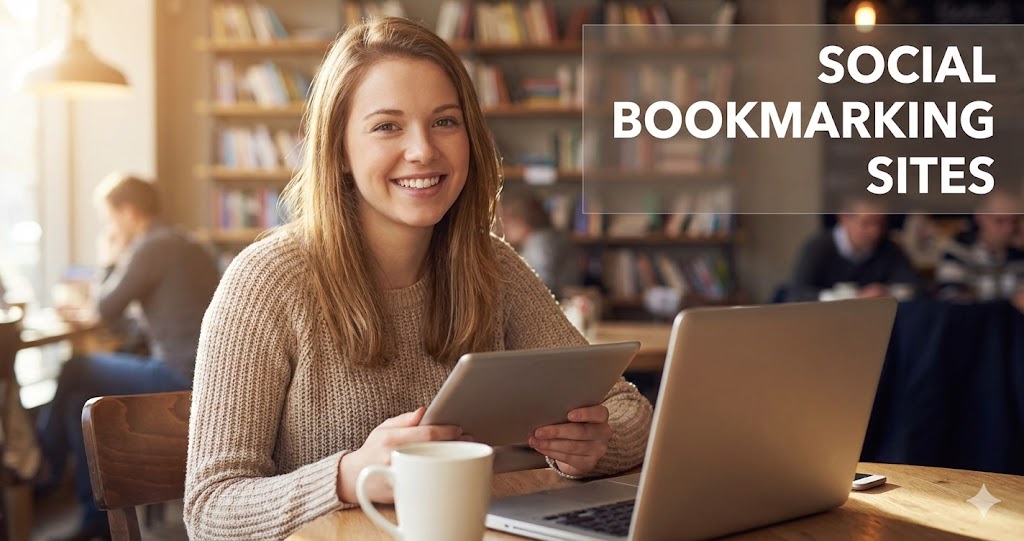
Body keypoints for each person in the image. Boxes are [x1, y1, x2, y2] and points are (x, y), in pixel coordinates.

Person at [183, 17, 653, 540]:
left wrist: (591, 446)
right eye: (387, 126)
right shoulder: (267, 281)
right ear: (338, 149)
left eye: (445, 122)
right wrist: (348, 476)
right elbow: (209, 510)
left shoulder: (492, 267)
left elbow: (627, 409)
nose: (423, 150)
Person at [36, 173, 220, 541]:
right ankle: (91, 516)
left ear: (129, 213)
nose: (109, 227)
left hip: (179, 377)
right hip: (204, 376)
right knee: (79, 400)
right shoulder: (187, 243)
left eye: (110, 218)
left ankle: (44, 463)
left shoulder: (151, 246)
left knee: (76, 368)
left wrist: (109, 258)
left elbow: (105, 308)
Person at [787, 195, 921, 302]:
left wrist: (885, 292)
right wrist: (854, 297)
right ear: (843, 218)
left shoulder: (888, 248)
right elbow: (797, 295)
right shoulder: (818, 248)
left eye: (880, 223)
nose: (875, 231)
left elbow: (913, 287)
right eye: (866, 223)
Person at [935, 191, 1024, 308]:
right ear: (980, 217)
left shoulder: (1019, 254)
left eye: (1015, 221)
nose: (1009, 229)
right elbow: (952, 302)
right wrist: (1010, 305)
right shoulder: (959, 251)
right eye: (1000, 221)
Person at [498, 191, 580, 298]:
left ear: (523, 221)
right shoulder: (542, 239)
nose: (505, 228)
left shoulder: (538, 242)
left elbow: (541, 284)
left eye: (508, 222)